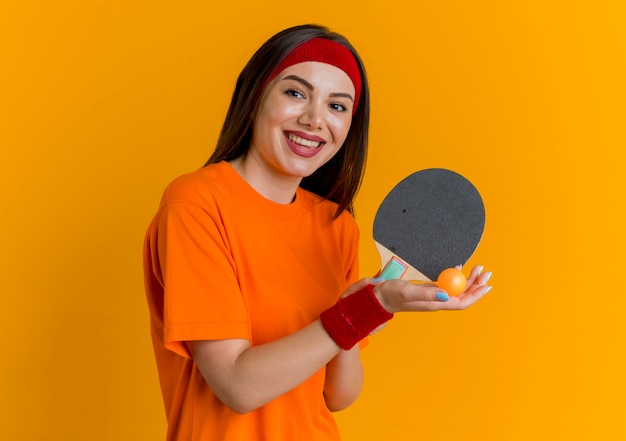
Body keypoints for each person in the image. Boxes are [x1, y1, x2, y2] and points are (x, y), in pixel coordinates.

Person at [143, 24, 492, 441]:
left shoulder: (337, 226)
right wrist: (363, 309)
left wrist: (363, 309)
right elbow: (238, 386)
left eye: (338, 106)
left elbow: (339, 394)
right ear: (256, 96)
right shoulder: (196, 204)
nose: (314, 119)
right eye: (295, 93)